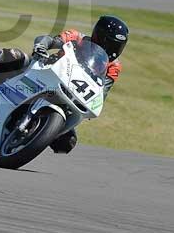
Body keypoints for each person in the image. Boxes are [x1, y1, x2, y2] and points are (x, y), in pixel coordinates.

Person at [31, 15, 129, 154]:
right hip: (45, 75)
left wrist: (93, 103)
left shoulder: (114, 66)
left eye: (118, 46)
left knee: (67, 143)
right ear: (99, 36)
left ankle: (32, 137)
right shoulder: (77, 37)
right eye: (111, 43)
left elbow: (103, 91)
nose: (114, 49)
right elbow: (51, 41)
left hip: (70, 95)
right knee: (13, 55)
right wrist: (41, 46)